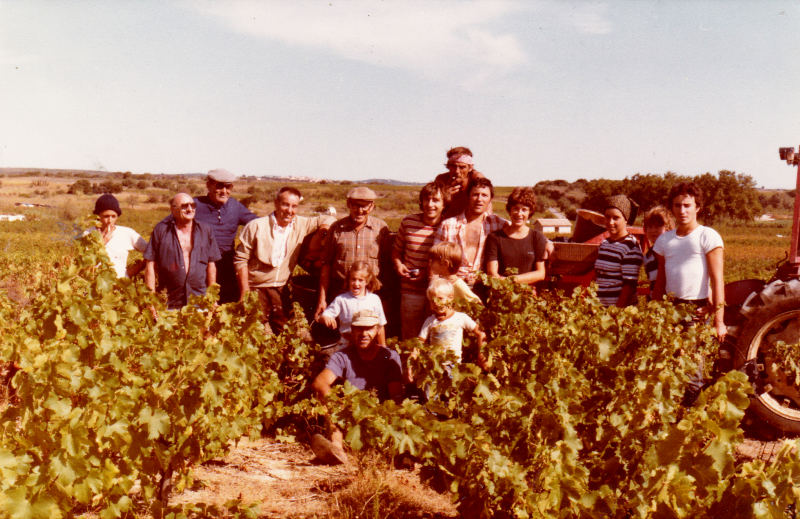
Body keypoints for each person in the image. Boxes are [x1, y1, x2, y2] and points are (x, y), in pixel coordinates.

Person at [311, 309, 404, 464]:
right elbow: (319, 383)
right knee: (325, 397)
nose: (364, 333)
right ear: (352, 331)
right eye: (359, 328)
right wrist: (338, 405)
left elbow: (395, 395)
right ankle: (336, 447)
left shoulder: (389, 356)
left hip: (378, 414)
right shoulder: (342, 356)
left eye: (369, 328)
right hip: (349, 414)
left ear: (377, 330)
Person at [234, 187, 328, 334]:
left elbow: (328, 219)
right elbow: (241, 259)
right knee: (256, 334)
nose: (289, 210)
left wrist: (323, 231)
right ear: (276, 203)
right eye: (285, 204)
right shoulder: (256, 226)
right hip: (256, 287)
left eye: (294, 206)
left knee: (288, 334)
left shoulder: (301, 224)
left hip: (281, 288)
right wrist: (245, 293)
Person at [652, 182, 726, 340]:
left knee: (694, 360)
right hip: (670, 308)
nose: (682, 211)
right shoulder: (664, 240)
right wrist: (655, 312)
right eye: (677, 206)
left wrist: (719, 322)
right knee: (668, 358)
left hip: (696, 310)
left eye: (687, 205)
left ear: (697, 207)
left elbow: (717, 281)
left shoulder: (707, 236)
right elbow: (660, 281)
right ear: (672, 208)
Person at [315, 187, 390, 319]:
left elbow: (386, 266)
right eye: (355, 205)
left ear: (372, 206)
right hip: (340, 293)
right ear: (348, 204)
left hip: (370, 294)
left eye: (365, 206)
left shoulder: (381, 229)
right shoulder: (337, 228)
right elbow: (326, 265)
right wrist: (322, 299)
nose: (360, 211)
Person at [144, 193, 221, 309]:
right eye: (185, 206)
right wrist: (150, 300)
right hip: (169, 301)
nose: (190, 209)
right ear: (173, 209)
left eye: (193, 205)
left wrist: (212, 297)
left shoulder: (206, 230)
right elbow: (150, 265)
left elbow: (211, 265)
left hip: (199, 299)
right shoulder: (161, 230)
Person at [392, 181, 447, 339]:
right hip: (410, 290)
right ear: (421, 202)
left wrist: (427, 274)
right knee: (410, 335)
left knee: (437, 336)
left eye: (436, 200)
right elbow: (396, 250)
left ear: (444, 204)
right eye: (427, 200)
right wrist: (398, 265)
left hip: (437, 291)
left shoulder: (448, 226)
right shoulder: (409, 222)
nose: (430, 204)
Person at [194, 169, 258, 303]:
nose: (224, 191)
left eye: (228, 186)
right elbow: (167, 226)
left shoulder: (235, 206)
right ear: (208, 185)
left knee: (228, 305)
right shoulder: (195, 205)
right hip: (200, 267)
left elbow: (258, 224)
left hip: (226, 265)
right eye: (219, 186)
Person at [434, 177, 507, 286]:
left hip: (485, 288)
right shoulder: (448, 225)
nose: (479, 199)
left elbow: (520, 232)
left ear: (490, 199)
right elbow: (434, 263)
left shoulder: (499, 224)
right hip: (452, 288)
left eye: (484, 195)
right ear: (468, 197)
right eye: (475, 194)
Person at [416, 278, 487, 375]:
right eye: (432, 301)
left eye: (440, 298)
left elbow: (480, 333)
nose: (436, 303)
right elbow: (419, 343)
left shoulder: (460, 317)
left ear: (450, 297)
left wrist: (481, 354)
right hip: (434, 367)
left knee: (453, 389)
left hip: (453, 366)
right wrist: (412, 363)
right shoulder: (430, 321)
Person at [485, 187, 548, 287]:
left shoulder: (537, 237)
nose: (519, 214)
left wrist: (511, 280)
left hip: (527, 294)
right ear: (509, 210)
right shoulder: (495, 238)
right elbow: (492, 272)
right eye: (515, 209)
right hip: (502, 291)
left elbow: (540, 273)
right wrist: (504, 285)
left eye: (524, 210)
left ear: (530, 212)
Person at [318, 261, 387, 347]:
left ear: (367, 281)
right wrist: (325, 317)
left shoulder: (374, 299)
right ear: (349, 280)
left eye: (360, 280)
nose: (356, 283)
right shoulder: (342, 299)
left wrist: (383, 347)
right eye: (353, 279)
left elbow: (380, 326)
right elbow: (324, 316)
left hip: (367, 344)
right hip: (347, 344)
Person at [593, 195, 644, 307]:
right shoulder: (605, 244)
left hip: (619, 313)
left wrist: (616, 313)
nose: (610, 222)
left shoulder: (630, 247)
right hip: (601, 311)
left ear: (626, 220)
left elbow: (629, 286)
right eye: (607, 217)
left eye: (616, 218)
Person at [91, 193, 147, 278]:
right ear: (98, 216)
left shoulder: (126, 233)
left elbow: (150, 251)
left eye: (113, 216)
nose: (110, 220)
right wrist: (102, 242)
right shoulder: (88, 234)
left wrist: (136, 269)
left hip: (120, 286)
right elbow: (85, 265)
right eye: (106, 216)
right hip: (95, 285)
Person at [434, 147, 485, 219]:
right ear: (448, 166)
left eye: (462, 167)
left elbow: (486, 204)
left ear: (470, 168)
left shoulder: (476, 179)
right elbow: (432, 206)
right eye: (453, 166)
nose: (457, 171)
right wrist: (444, 197)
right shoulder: (442, 179)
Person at [642, 206, 675, 293]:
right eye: (650, 227)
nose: (653, 230)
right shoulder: (648, 256)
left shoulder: (672, 251)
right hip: (654, 300)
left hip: (670, 298)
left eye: (658, 226)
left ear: (667, 228)